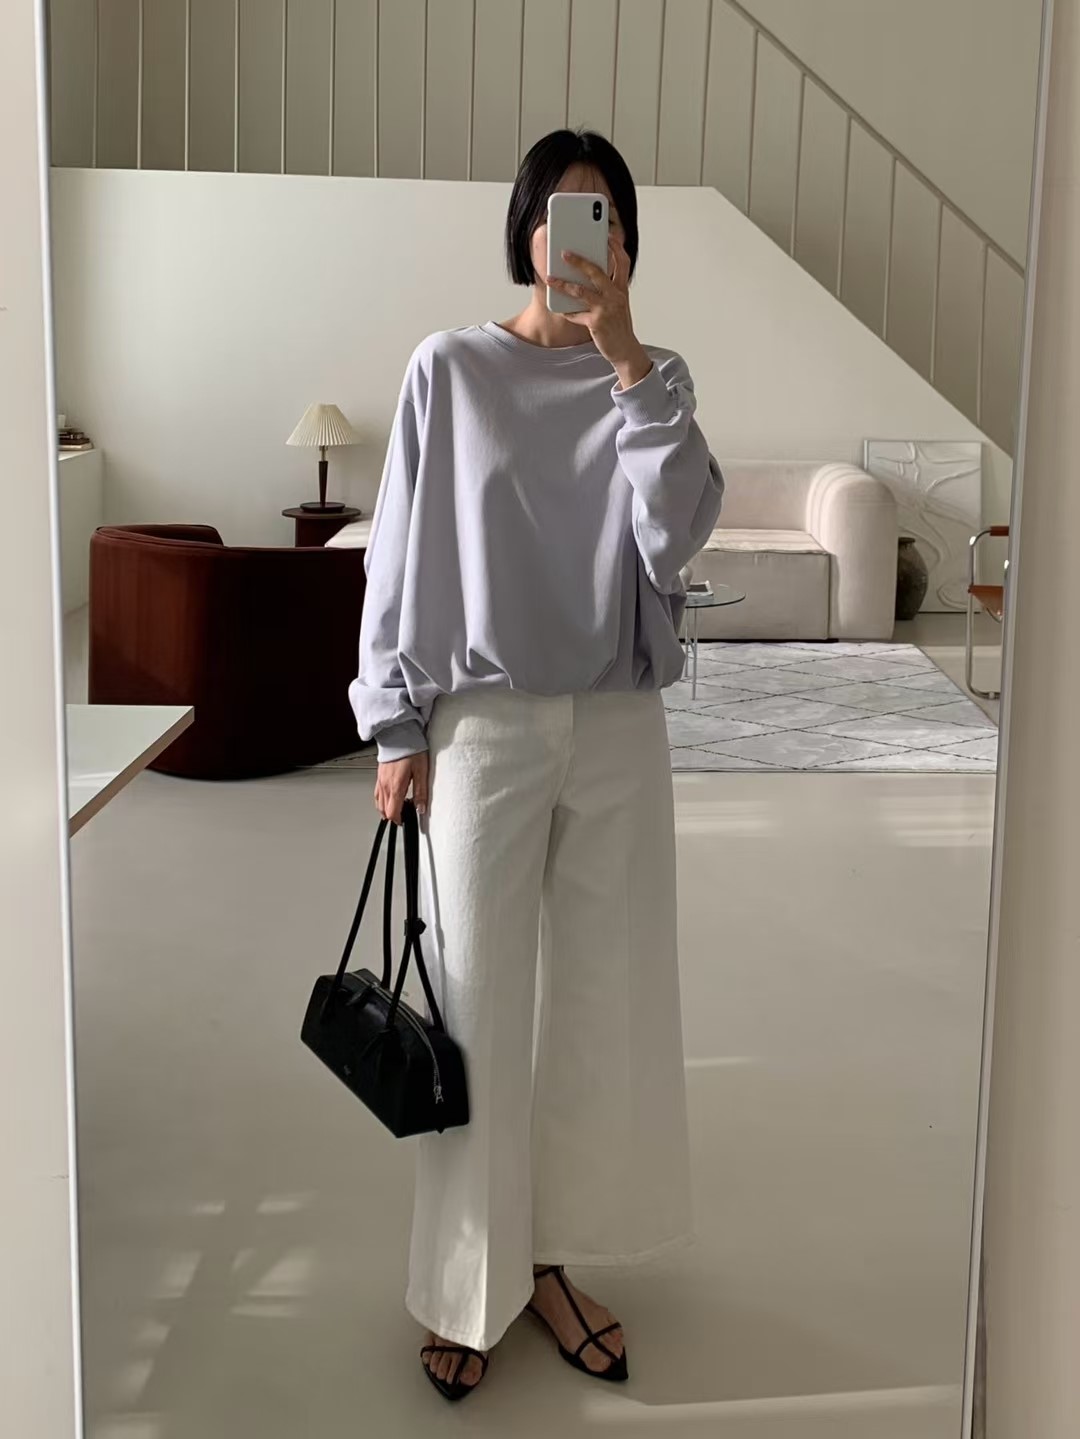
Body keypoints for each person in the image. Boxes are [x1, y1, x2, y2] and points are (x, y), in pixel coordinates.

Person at [349, 127, 724, 1401]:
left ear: (625, 244)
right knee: (473, 1008)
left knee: (605, 1004)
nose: (579, 236)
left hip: (618, 723)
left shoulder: (651, 380)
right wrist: (394, 722)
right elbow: (398, 552)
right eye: (561, 212)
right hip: (485, 725)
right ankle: (468, 1287)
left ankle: (552, 1263)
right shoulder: (450, 369)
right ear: (524, 232)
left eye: (602, 214)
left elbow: (674, 538)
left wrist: (628, 363)